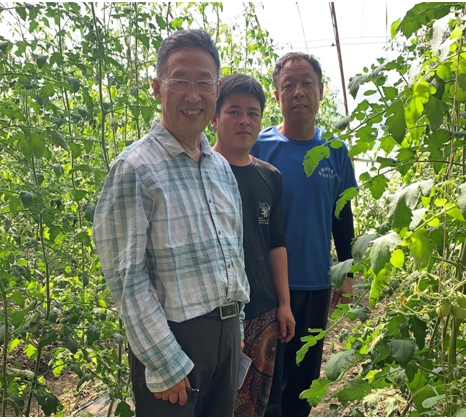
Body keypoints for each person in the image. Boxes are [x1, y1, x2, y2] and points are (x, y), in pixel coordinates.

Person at [92, 29, 250, 417]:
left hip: (226, 335)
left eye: (204, 82)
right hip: (176, 340)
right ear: (157, 88)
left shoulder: (220, 168)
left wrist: (238, 330)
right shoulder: (135, 168)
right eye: (180, 80)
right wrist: (164, 362)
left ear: (216, 89)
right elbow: (126, 277)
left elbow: (234, 250)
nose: (193, 94)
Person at [251, 52, 357, 417]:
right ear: (277, 97)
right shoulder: (259, 148)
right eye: (288, 86)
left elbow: (342, 218)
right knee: (264, 380)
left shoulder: (335, 153)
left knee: (303, 381)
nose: (298, 92)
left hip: (315, 285)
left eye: (306, 83)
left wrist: (347, 275)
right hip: (263, 289)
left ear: (321, 91)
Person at [211, 74, 295, 417]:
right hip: (214, 317)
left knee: (255, 407)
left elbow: (276, 242)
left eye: (253, 113)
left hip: (263, 311)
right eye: (233, 112)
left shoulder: (270, 176)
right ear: (214, 118)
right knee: (213, 405)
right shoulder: (200, 170)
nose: (244, 121)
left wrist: (284, 304)